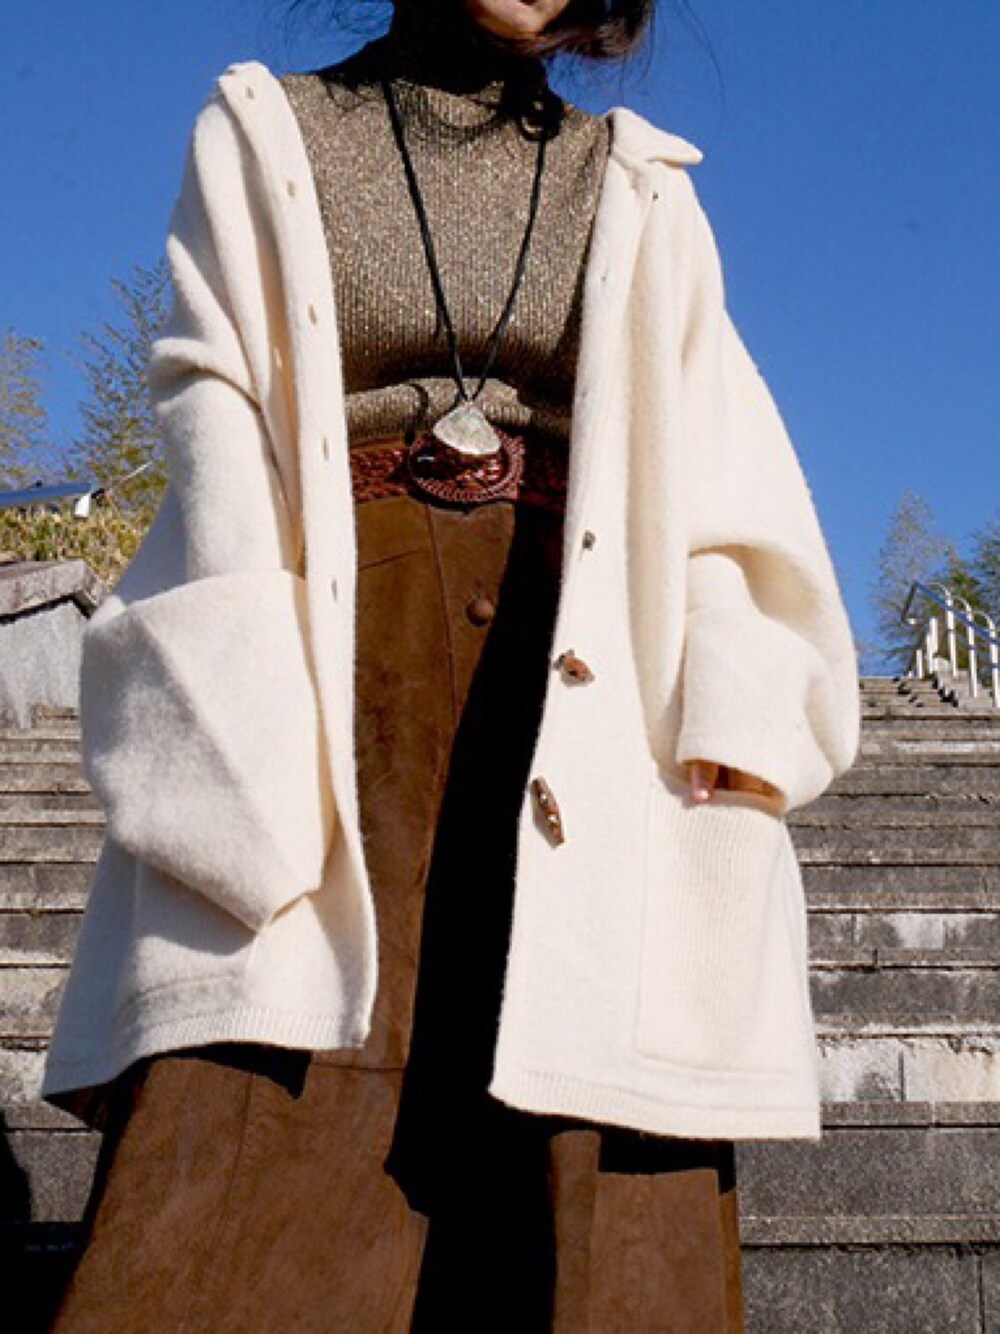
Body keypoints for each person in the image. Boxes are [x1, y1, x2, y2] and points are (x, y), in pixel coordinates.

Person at [42, 0, 860, 1329]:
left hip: (582, 678)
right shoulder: (270, 129)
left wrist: (734, 702)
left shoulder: (638, 182)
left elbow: (717, 462)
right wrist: (246, 713)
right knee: (247, 1123)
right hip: (331, 669)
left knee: (588, 1184)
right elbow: (216, 400)